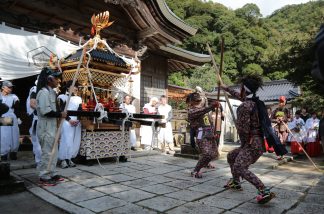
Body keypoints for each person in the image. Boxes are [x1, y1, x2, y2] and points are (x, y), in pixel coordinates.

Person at [221, 74, 275, 204]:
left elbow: (244, 130)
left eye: (240, 88)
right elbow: (241, 97)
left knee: (240, 166)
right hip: (257, 142)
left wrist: (244, 144)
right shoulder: (255, 102)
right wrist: (226, 88)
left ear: (244, 89)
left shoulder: (245, 106)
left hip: (251, 143)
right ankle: (235, 182)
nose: (239, 91)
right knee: (231, 156)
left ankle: (264, 190)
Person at [36, 67, 67, 186]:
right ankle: (44, 175)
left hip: (52, 126)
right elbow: (46, 111)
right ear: (49, 79)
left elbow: (56, 110)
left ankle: (52, 172)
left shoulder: (52, 92)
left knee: (54, 151)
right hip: (45, 126)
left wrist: (60, 113)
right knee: (47, 152)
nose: (58, 81)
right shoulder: (43, 92)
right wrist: (60, 114)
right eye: (56, 78)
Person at [188, 92, 220, 178]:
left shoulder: (204, 109)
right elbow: (202, 111)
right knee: (207, 154)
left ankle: (206, 164)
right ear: (191, 101)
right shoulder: (192, 110)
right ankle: (195, 171)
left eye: (198, 98)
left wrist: (213, 132)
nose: (198, 100)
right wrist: (211, 106)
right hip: (201, 133)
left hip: (209, 133)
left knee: (213, 154)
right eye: (195, 99)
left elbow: (210, 122)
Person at [58, 80, 82, 169]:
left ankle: (70, 158)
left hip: (76, 122)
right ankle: (63, 159)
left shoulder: (78, 98)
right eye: (73, 86)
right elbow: (61, 110)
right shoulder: (62, 97)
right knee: (66, 140)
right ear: (68, 87)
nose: (75, 88)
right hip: (66, 121)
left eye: (76, 86)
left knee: (74, 141)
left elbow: (80, 111)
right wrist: (69, 120)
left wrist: (78, 120)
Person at [0, 80, 21, 161]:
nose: (10, 88)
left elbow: (17, 108)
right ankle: (4, 153)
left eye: (11, 87)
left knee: (14, 135)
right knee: (5, 135)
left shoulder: (14, 97)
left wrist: (18, 117)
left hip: (12, 115)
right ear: (3, 87)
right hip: (4, 116)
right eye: (8, 87)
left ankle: (13, 152)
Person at [26, 78, 42, 166]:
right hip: (38, 119)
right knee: (37, 141)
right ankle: (39, 161)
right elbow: (32, 104)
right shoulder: (35, 90)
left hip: (44, 119)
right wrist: (43, 110)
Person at [271, 96, 290, 160]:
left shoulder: (287, 110)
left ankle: (283, 154)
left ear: (285, 103)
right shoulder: (275, 110)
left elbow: (290, 118)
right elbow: (271, 119)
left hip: (284, 128)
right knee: (279, 141)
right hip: (277, 128)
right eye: (280, 102)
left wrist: (284, 118)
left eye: (282, 102)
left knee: (283, 142)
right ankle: (279, 154)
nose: (281, 103)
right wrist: (276, 120)